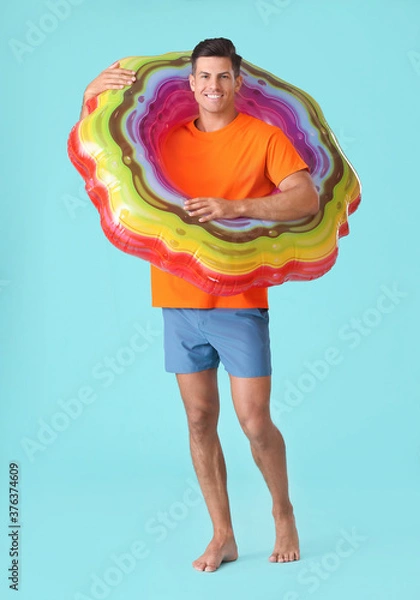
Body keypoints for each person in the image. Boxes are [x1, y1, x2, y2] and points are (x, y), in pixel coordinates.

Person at [79, 38, 319, 572]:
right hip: (176, 297)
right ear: (191, 83)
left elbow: (305, 198)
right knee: (198, 418)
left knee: (255, 422)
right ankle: (224, 535)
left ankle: (283, 512)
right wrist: (88, 98)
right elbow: (104, 156)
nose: (213, 86)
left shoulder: (264, 136)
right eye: (204, 77)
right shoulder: (164, 137)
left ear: (239, 82)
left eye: (223, 77)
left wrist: (233, 205)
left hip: (239, 298)